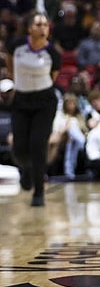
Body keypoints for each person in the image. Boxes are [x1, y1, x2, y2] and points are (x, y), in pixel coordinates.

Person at [8, 12, 61, 206]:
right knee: (20, 148)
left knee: (38, 144)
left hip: (44, 101)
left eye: (46, 25)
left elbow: (53, 77)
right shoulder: (17, 46)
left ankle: (38, 192)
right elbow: (10, 64)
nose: (43, 28)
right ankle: (27, 169)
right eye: (38, 24)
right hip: (21, 100)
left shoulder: (53, 53)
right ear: (30, 27)